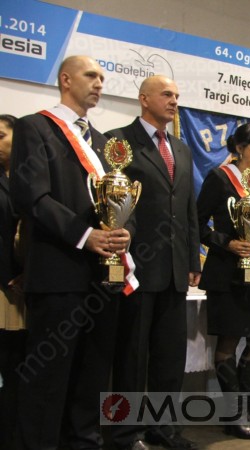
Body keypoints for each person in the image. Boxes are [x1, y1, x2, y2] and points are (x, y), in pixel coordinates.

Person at [10, 55, 131, 450]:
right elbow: (32, 196)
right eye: (90, 75)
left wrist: (123, 233)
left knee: (92, 375)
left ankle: (85, 442)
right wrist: (85, 235)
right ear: (65, 79)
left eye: (102, 77)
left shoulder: (105, 143)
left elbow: (122, 203)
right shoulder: (35, 127)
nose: (99, 83)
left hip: (103, 277)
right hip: (58, 274)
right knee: (48, 378)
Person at [106, 75, 201, 450]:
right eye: (166, 94)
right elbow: (114, 206)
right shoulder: (118, 142)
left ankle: (163, 428)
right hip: (136, 268)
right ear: (144, 99)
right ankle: (123, 434)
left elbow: (189, 208)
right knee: (130, 357)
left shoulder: (181, 148)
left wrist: (193, 258)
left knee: (169, 356)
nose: (174, 101)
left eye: (177, 95)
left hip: (175, 271)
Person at [196, 123, 250, 439]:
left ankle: (243, 408)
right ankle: (232, 414)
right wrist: (227, 242)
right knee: (228, 343)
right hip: (226, 274)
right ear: (239, 147)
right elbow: (197, 223)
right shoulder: (220, 178)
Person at [0, 114, 26, 450]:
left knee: (19, 366)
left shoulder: (29, 177)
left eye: (1, 135)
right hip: (4, 283)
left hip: (26, 286)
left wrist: (28, 271)